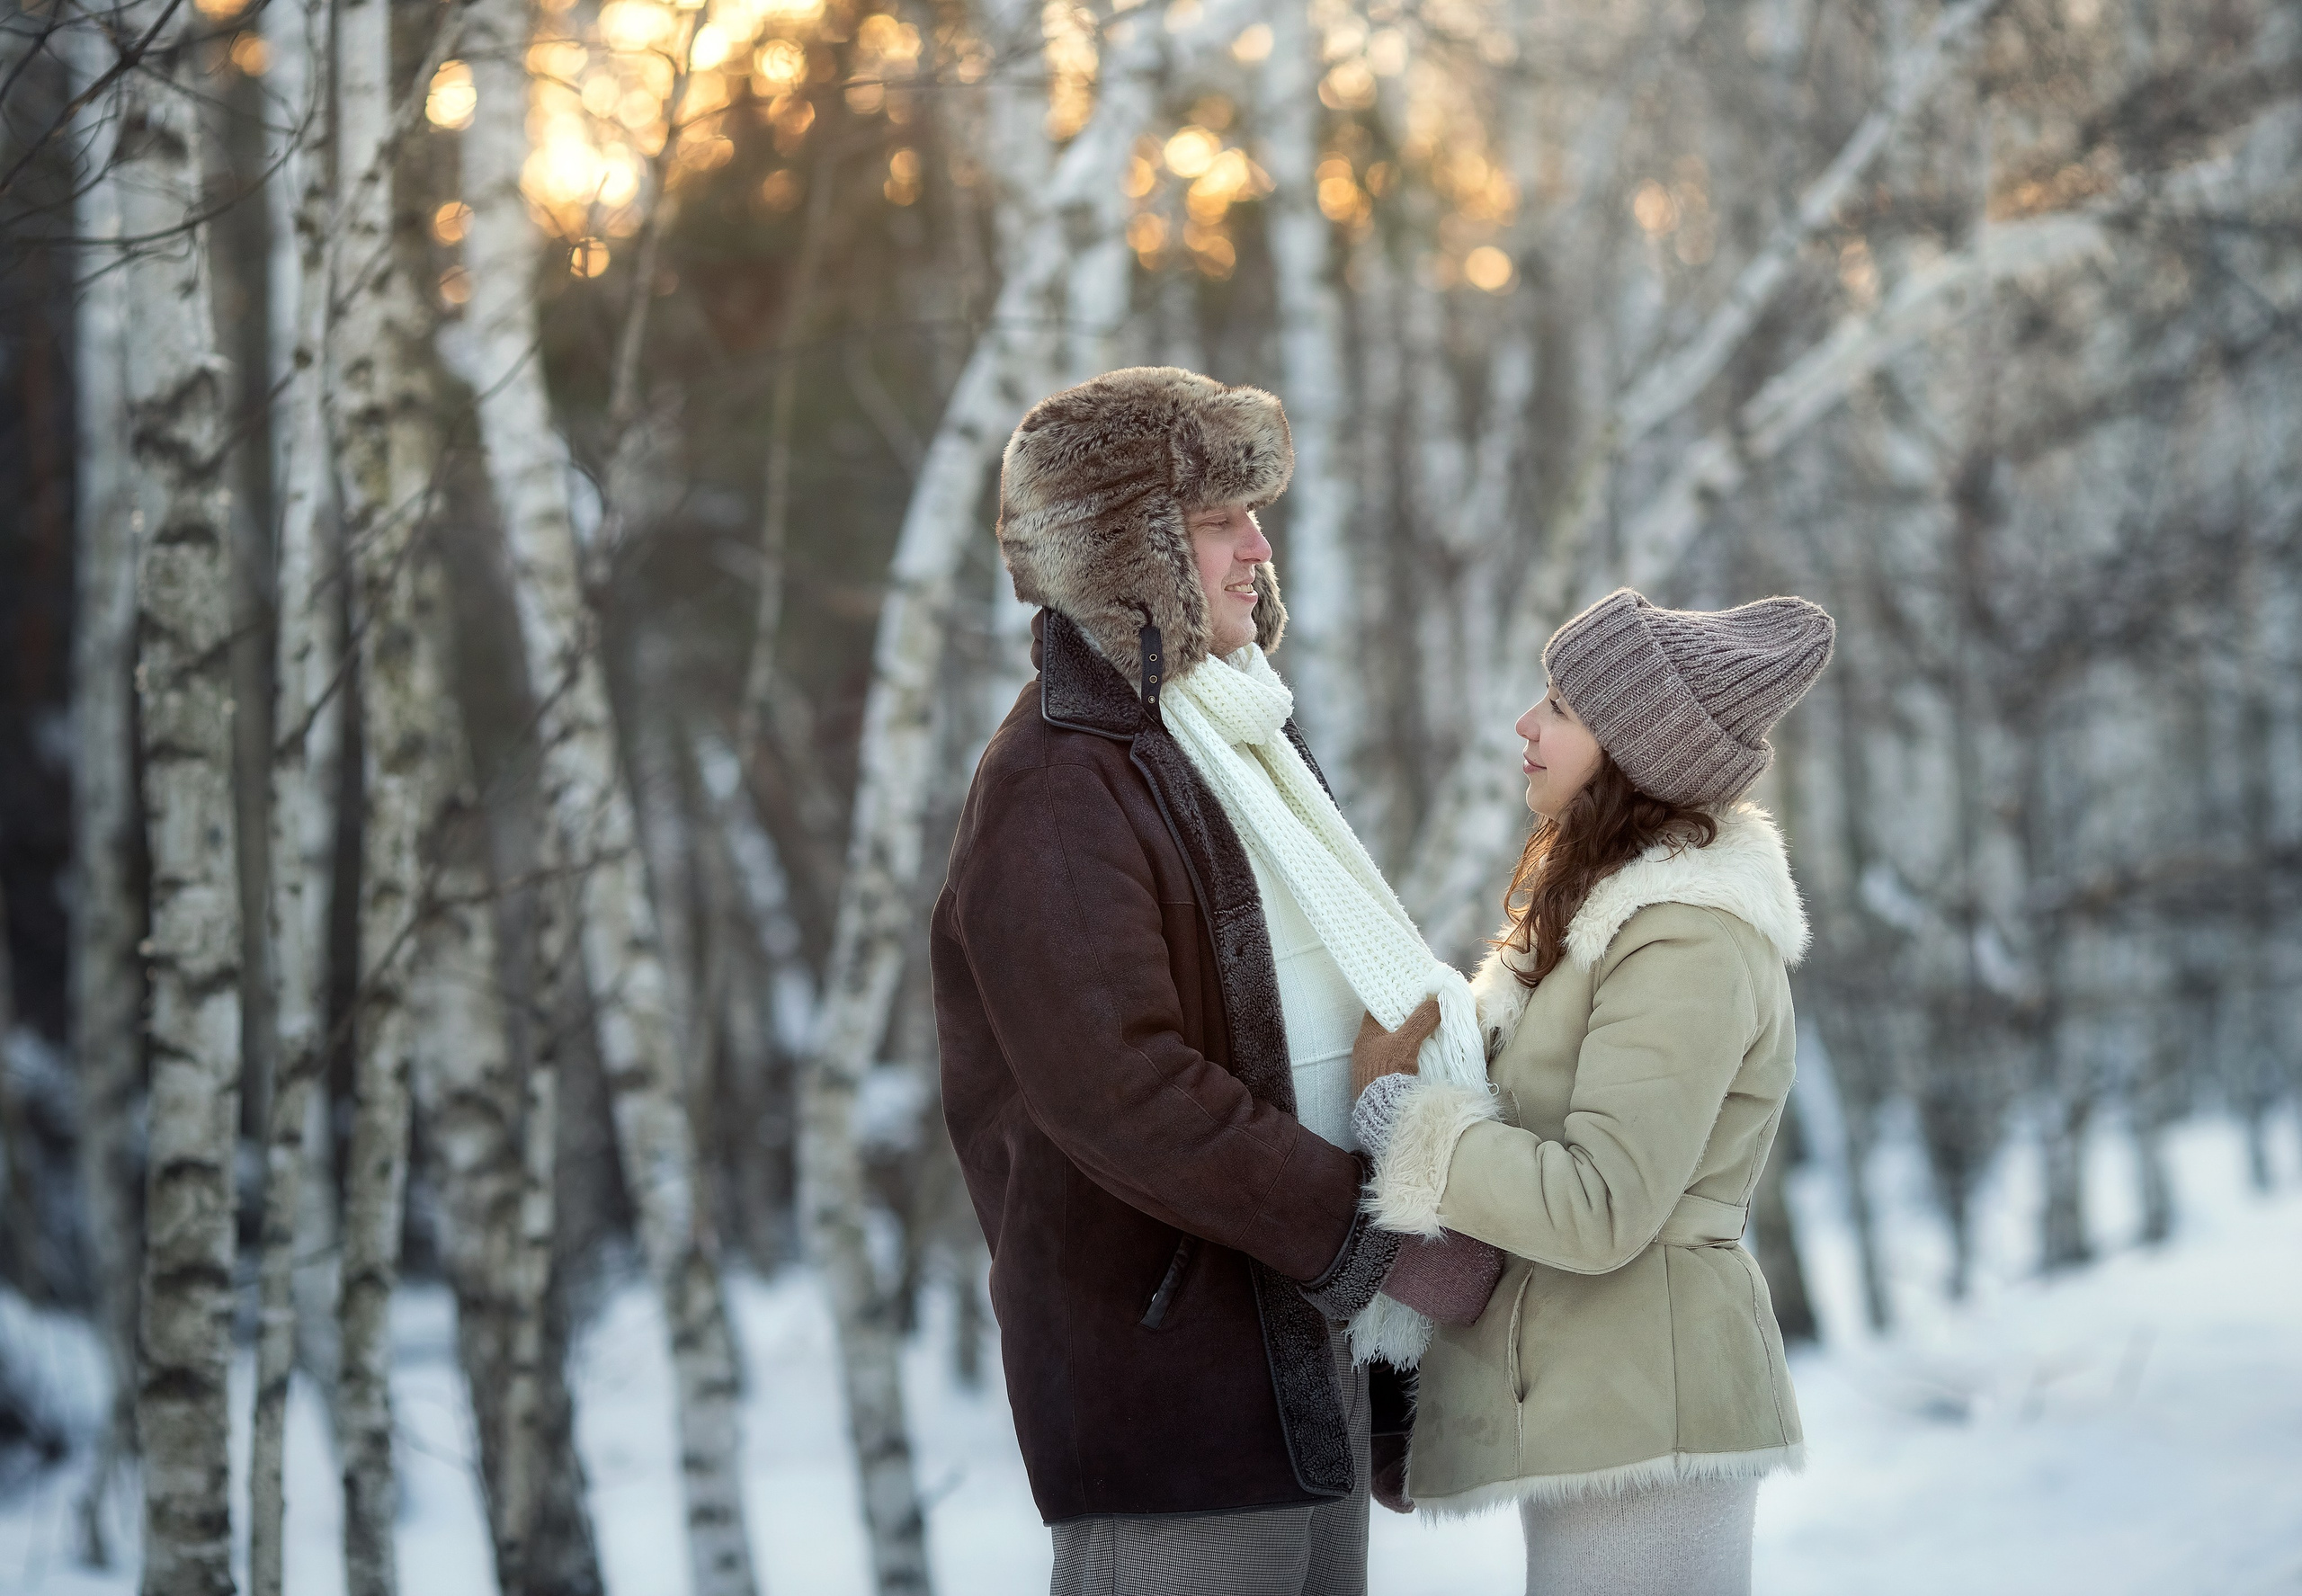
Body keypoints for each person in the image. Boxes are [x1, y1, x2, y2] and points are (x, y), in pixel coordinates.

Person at [932, 366, 1500, 1596]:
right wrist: (1369, 1235)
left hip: (1309, 1373)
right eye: (1216, 522)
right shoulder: (1055, 782)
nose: (1259, 545)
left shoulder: (1239, 740)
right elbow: (1122, 1088)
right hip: (1169, 1395)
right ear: (1125, 554)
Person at [1352, 587, 1835, 1596]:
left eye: (1561, 708)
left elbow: (1599, 1205)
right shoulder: (1596, 920)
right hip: (1604, 1392)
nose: (1527, 726)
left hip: (1651, 1401)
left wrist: (1409, 1124)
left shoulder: (1685, 936)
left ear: (1632, 748)